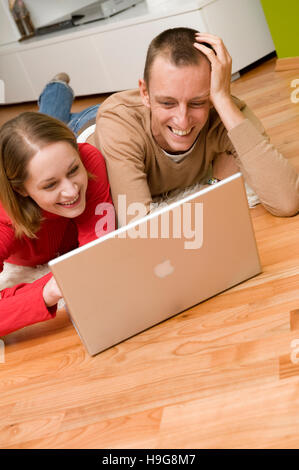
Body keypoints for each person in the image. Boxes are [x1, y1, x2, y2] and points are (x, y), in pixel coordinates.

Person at [91, 27, 299, 226]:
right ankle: (59, 87)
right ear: (144, 93)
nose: (182, 120)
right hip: (87, 125)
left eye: (197, 102)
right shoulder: (119, 122)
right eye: (167, 103)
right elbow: (139, 228)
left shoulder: (225, 110)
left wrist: (222, 99)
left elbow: (287, 201)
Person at [0, 111, 115, 337]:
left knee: (49, 123)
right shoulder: (5, 221)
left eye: (73, 170)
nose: (72, 191)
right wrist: (46, 292)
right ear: (21, 190)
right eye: (50, 185)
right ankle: (56, 91)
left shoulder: (88, 159)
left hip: (75, 128)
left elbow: (98, 252)